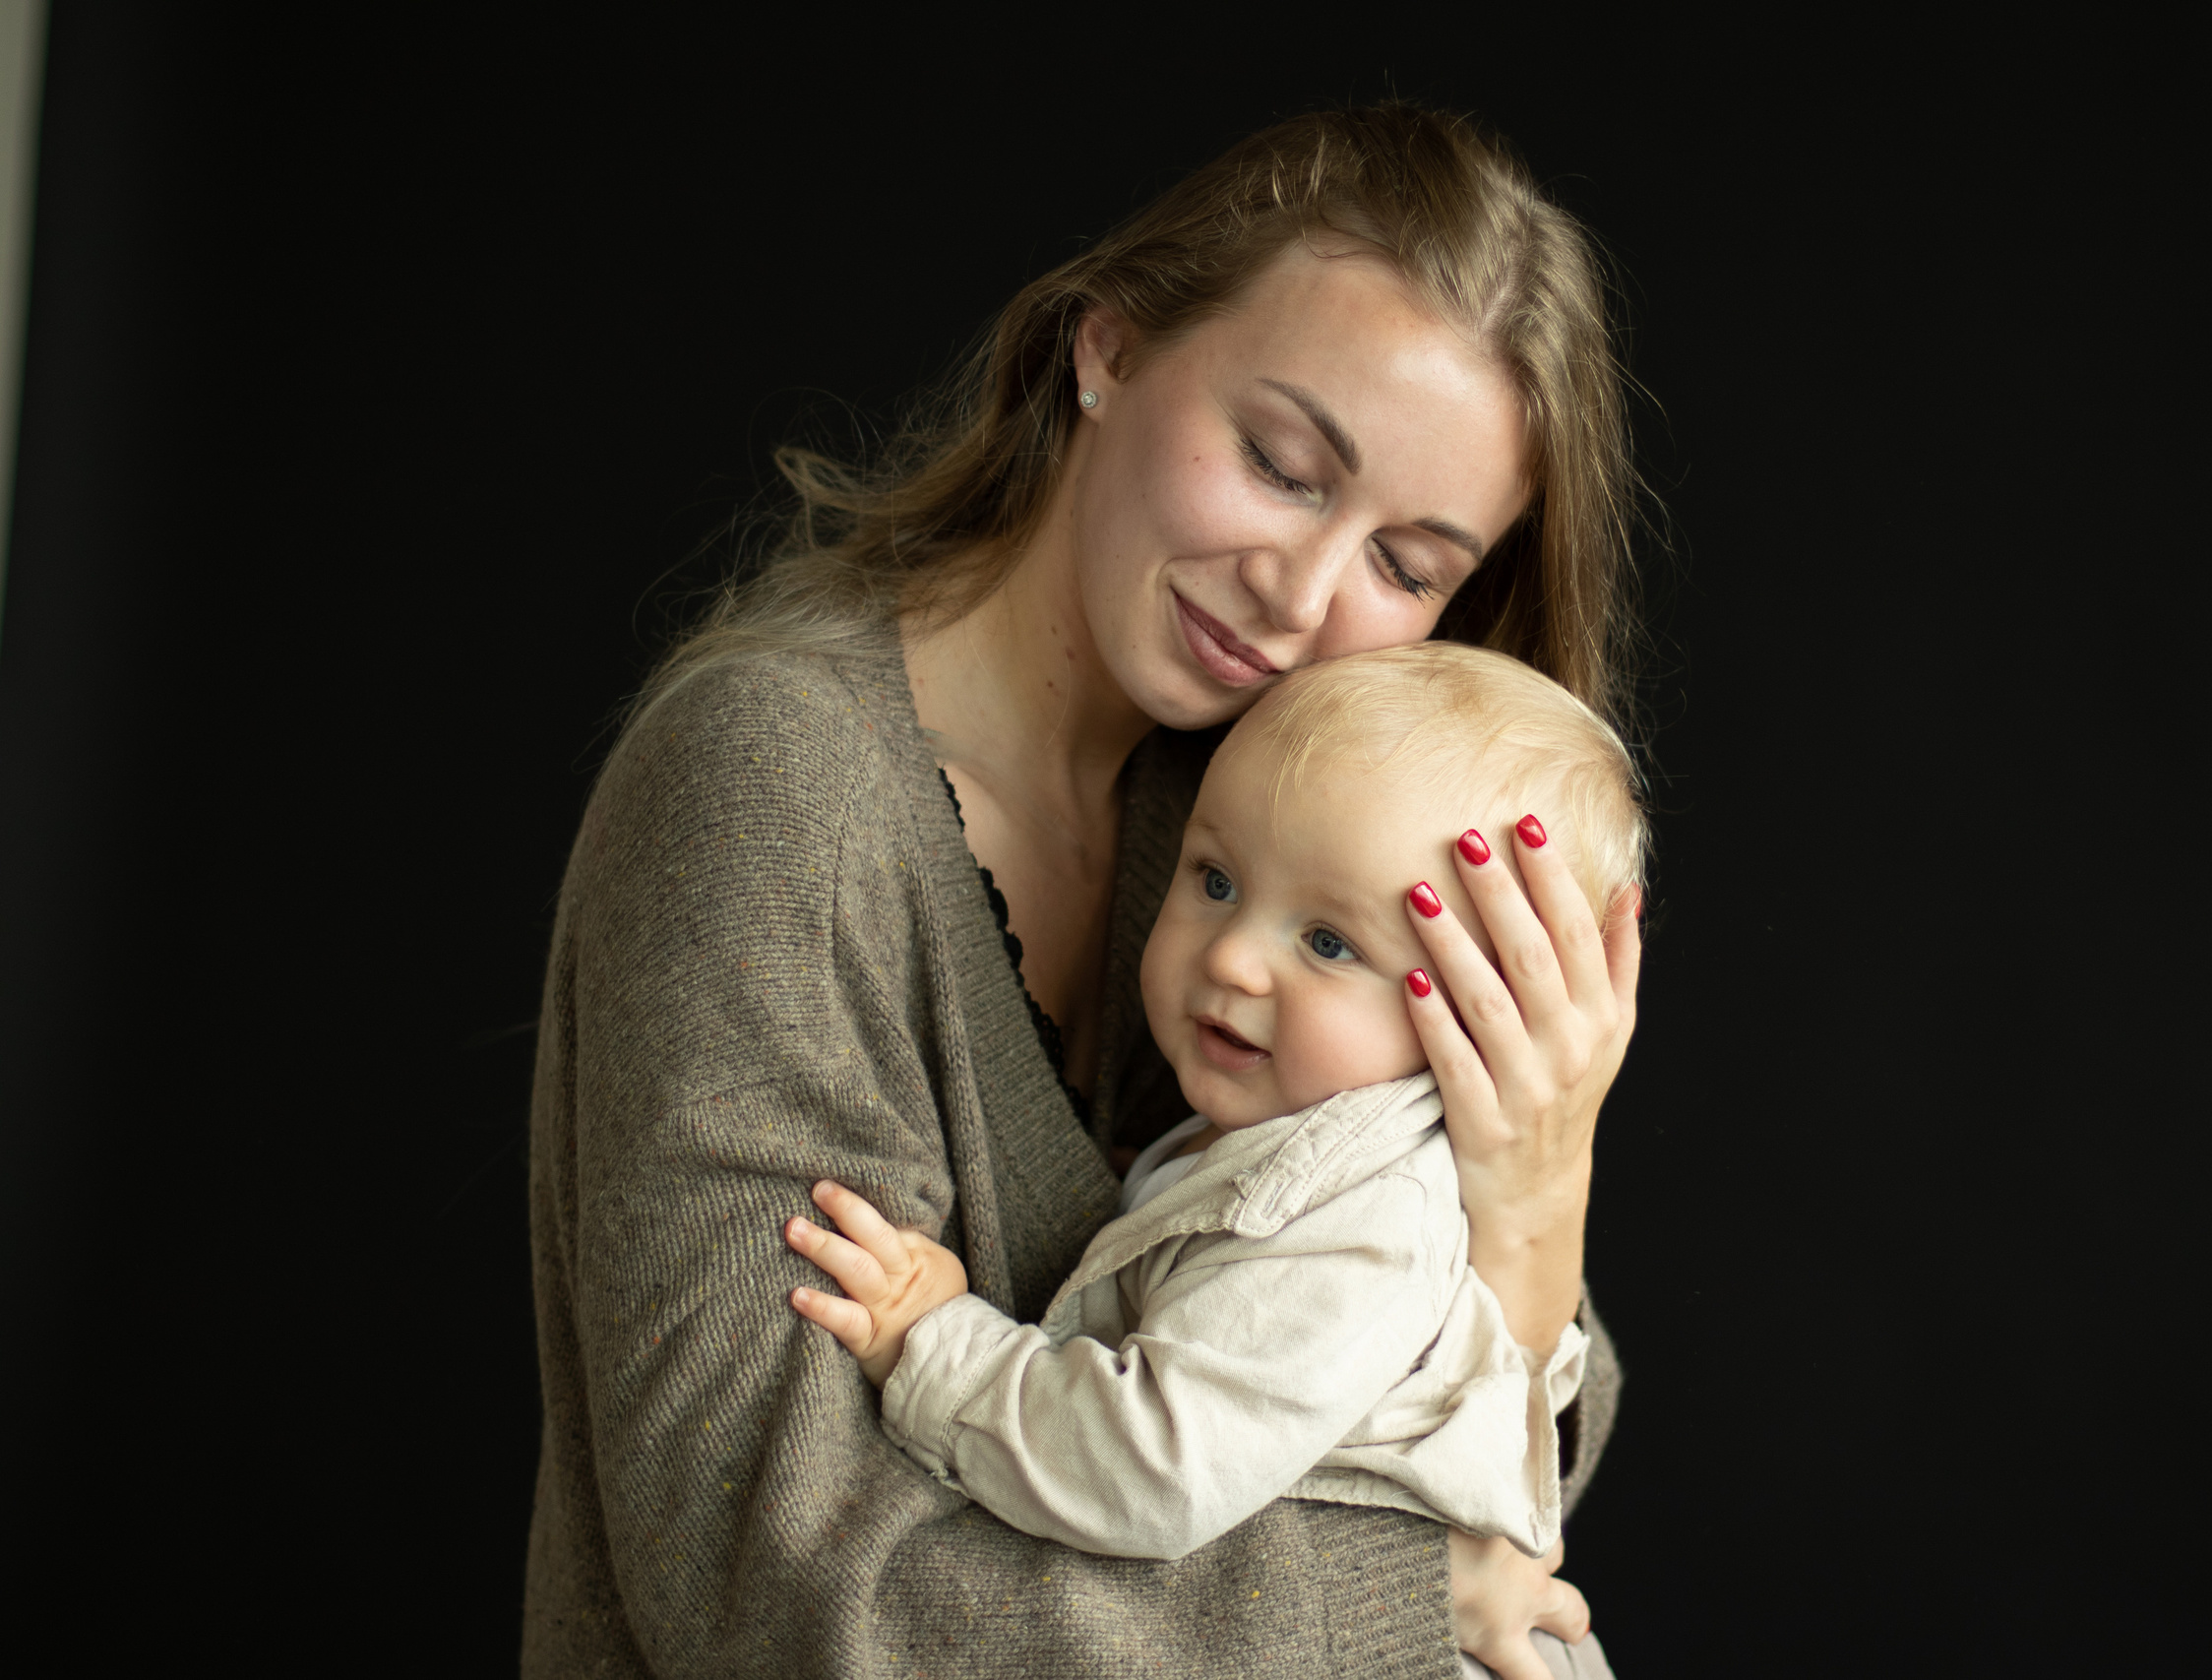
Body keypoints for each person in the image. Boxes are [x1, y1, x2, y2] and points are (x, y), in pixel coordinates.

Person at [524, 103, 1647, 1680]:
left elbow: (1481, 1498)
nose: (1306, 593)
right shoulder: (775, 795)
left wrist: (1536, 1199)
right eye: (1278, 462)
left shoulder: (1266, 811)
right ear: (1105, 345)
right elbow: (773, 1591)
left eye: (1408, 563)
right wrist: (1387, 1600)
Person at [779, 643, 1639, 1680]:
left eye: (1329, 943)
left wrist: (932, 1345)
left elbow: (1149, 1466)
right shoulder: (1268, 1146)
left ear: (1486, 1008)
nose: (1231, 957)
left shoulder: (1359, 1226)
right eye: (1216, 880)